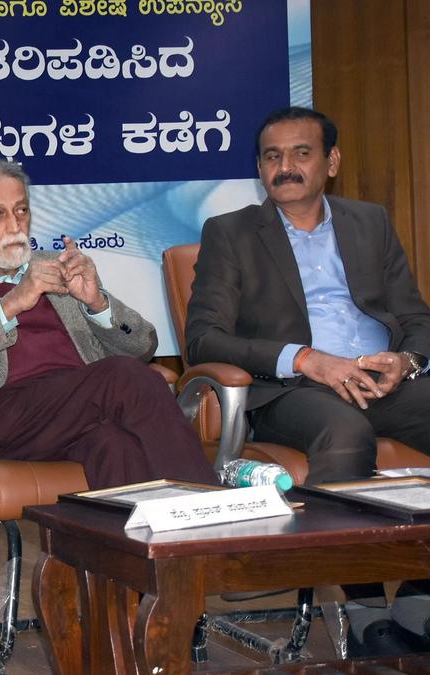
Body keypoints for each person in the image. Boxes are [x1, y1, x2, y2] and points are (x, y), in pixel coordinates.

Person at [186, 105, 430, 655]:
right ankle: (365, 610)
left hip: (379, 379)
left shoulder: (369, 222)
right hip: (292, 390)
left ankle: (419, 595)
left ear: (331, 162)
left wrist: (406, 362)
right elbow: (203, 339)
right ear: (259, 168)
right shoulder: (230, 233)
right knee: (344, 433)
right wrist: (303, 359)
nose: (286, 167)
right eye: (272, 157)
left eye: (301, 153)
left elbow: (416, 318)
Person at [0, 158, 216, 489]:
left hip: (79, 405)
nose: (15, 225)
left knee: (113, 444)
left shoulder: (58, 265)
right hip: (1, 413)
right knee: (124, 377)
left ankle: (131, 524)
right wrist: (11, 304)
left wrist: (96, 304)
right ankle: (203, 503)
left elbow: (142, 346)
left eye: (21, 210)